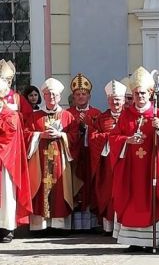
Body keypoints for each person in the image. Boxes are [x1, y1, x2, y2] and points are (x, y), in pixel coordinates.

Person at [109, 66, 159, 252]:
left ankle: (150, 240)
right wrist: (127, 140)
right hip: (130, 169)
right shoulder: (125, 115)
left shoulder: (158, 115)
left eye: (143, 93)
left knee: (151, 199)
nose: (140, 97)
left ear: (150, 93)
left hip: (151, 167)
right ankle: (133, 240)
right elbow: (113, 138)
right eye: (136, 93)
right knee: (130, 200)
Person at [25, 78, 81, 232]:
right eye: (48, 94)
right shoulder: (35, 116)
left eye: (54, 95)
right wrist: (39, 135)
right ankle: (39, 226)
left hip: (60, 160)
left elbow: (75, 136)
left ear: (60, 96)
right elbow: (25, 134)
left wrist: (61, 135)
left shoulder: (67, 116)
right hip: (39, 161)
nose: (51, 97)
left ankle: (59, 225)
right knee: (39, 187)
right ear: (43, 95)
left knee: (60, 188)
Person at [89, 80, 127, 234]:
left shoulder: (129, 116)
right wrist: (108, 137)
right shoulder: (102, 118)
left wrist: (117, 138)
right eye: (112, 100)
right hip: (107, 164)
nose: (115, 102)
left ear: (124, 100)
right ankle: (108, 226)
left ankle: (125, 224)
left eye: (118, 99)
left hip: (125, 163)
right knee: (107, 193)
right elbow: (93, 137)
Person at [67, 73, 102, 230]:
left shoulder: (96, 114)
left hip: (90, 156)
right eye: (77, 94)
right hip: (73, 157)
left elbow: (100, 134)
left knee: (91, 186)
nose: (81, 97)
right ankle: (74, 224)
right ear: (73, 96)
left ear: (89, 95)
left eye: (84, 94)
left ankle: (91, 224)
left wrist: (88, 128)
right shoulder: (67, 114)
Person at [0, 77, 32, 243]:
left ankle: (6, 229)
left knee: (6, 195)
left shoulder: (10, 115)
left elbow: (9, 137)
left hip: (5, 164)